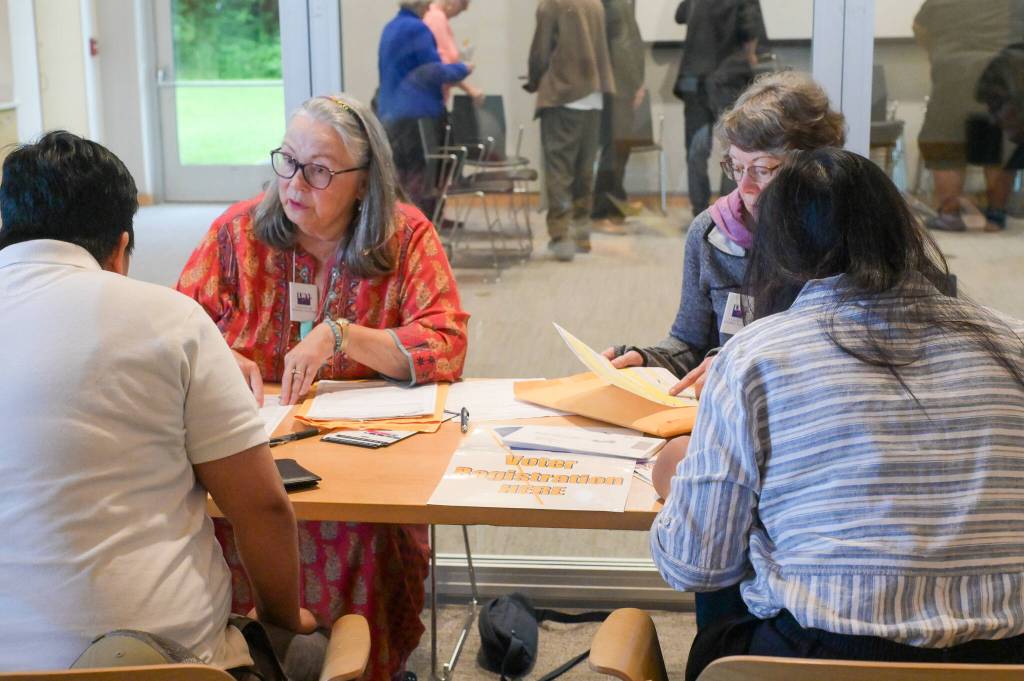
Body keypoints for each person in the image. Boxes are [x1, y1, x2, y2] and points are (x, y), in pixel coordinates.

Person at [651, 147, 1024, 681]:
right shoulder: (1013, 343)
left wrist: (682, 477)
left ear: (779, 252)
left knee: (731, 552)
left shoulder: (756, 356)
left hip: (818, 658)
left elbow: (695, 565)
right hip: (1008, 659)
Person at [0, 131, 331, 680]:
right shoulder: (168, 319)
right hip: (161, 661)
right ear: (121, 246)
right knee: (312, 650)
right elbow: (263, 508)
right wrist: (279, 619)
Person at [176, 94, 469, 680]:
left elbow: (446, 342)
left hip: (367, 459)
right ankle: (246, 659)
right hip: (253, 451)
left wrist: (343, 335)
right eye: (287, 161)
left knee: (372, 526)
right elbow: (173, 328)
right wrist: (221, 355)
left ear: (363, 184)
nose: (294, 182)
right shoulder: (236, 235)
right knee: (218, 511)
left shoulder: (405, 239)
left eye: (318, 170)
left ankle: (363, 665)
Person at [604, 71, 845, 396]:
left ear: (813, 167)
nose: (744, 187)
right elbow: (689, 340)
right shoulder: (710, 234)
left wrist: (733, 359)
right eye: (735, 166)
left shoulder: (842, 234)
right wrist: (650, 360)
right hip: (730, 412)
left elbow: (834, 352)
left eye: (761, 169)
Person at [913, 0, 1024, 231]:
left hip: (954, 70)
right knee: (1002, 141)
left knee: (945, 140)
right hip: (1003, 72)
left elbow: (920, 29)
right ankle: (995, 214)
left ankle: (949, 215)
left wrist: (938, 53)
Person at [525, 0, 616, 262]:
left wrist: (534, 81)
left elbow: (540, 52)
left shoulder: (553, 2)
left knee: (559, 170)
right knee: (585, 169)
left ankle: (561, 236)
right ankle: (581, 234)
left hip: (563, 93)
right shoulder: (596, 3)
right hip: (594, 96)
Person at [672, 0, 766, 224]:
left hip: (696, 81)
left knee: (697, 149)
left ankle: (700, 212)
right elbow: (751, 31)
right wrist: (752, 58)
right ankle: (729, 213)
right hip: (728, 80)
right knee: (734, 149)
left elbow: (680, 15)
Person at [378, 0, 473, 218]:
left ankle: (403, 228)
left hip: (392, 114)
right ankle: (419, 232)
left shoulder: (391, 27)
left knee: (400, 177)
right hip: (415, 116)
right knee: (419, 178)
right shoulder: (417, 28)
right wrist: (462, 69)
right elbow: (433, 72)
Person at [591, 0, 647, 228]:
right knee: (614, 149)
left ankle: (616, 200)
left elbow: (632, 40)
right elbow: (614, 45)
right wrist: (632, 83)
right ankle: (602, 209)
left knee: (621, 147)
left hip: (626, 83)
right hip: (616, 84)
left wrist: (639, 82)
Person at [422, 0, 484, 107]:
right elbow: (442, 67)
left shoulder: (435, 17)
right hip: (430, 102)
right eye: (464, 3)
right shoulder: (436, 18)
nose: (466, 9)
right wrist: (468, 86)